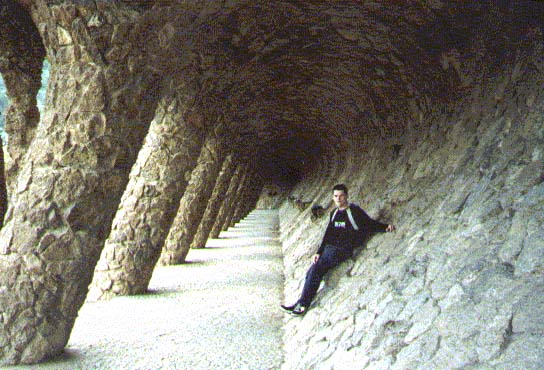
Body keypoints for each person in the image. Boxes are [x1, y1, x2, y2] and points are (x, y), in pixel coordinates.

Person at [281, 184, 395, 316]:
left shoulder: (354, 211)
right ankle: (300, 303)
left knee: (316, 270)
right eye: (336, 196)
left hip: (343, 249)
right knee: (311, 271)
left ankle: (302, 305)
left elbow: (369, 223)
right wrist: (318, 252)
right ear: (333, 197)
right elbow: (328, 235)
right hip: (330, 249)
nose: (339, 199)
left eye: (341, 196)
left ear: (346, 196)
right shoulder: (334, 214)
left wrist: (385, 227)